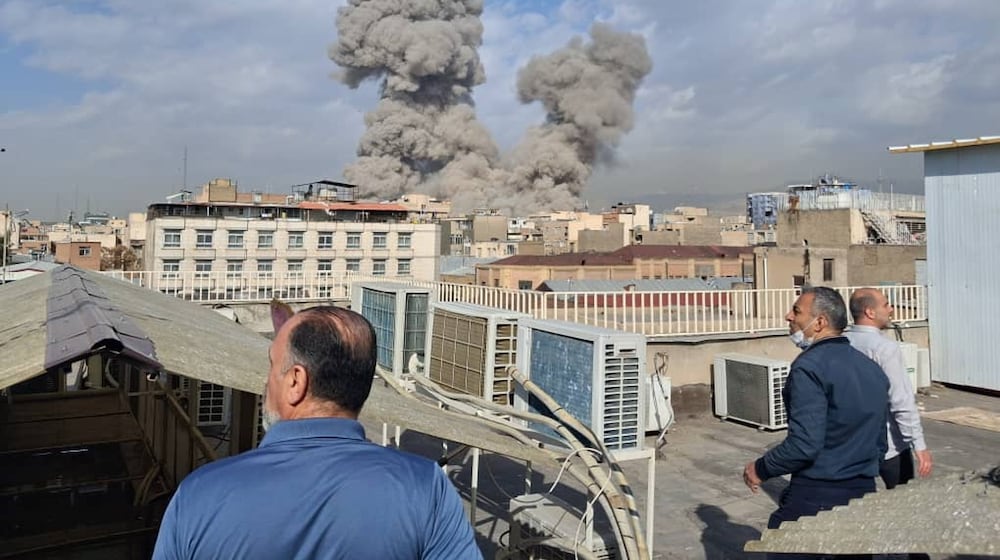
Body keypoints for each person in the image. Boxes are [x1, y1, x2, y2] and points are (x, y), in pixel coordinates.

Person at [153, 306, 482, 559]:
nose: (267, 380)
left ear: (296, 381)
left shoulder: (201, 495)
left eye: (272, 365)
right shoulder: (426, 489)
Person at [743, 287, 888, 556]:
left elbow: (804, 445)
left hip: (817, 497)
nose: (788, 316)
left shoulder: (809, 367)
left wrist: (761, 468)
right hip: (863, 496)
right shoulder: (872, 369)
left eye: (797, 311)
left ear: (820, 322)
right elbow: (880, 442)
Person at [846, 288, 933, 488]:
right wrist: (918, 444)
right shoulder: (884, 348)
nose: (891, 309)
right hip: (889, 445)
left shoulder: (843, 342)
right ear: (870, 312)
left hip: (851, 444)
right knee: (903, 504)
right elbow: (900, 400)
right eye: (886, 305)